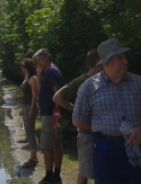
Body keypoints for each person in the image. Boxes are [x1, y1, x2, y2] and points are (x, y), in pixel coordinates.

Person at [73, 38, 141, 184]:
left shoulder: (138, 83)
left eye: (125, 57)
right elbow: (77, 120)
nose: (125, 61)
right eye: (119, 58)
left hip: (136, 147)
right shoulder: (89, 87)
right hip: (105, 148)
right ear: (106, 62)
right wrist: (100, 128)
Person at [53, 49, 101, 184]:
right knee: (84, 172)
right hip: (87, 134)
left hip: (102, 133)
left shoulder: (103, 80)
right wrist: (75, 109)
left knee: (102, 171)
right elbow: (57, 97)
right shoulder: (82, 81)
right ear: (97, 62)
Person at [34, 48, 64, 184]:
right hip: (49, 113)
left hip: (50, 114)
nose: (39, 62)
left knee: (47, 146)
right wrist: (39, 74)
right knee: (55, 145)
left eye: (40, 59)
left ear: (47, 57)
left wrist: (56, 116)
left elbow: (58, 94)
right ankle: (55, 176)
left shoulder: (52, 72)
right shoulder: (49, 72)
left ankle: (49, 176)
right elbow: (41, 91)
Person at [19, 58, 39, 168]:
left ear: (28, 68)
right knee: (29, 132)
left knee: (30, 133)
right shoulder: (26, 77)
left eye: (23, 66)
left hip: (30, 108)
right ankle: (34, 156)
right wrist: (23, 108)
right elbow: (25, 95)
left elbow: (34, 96)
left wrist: (31, 110)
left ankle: (32, 159)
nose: (22, 68)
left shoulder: (32, 78)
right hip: (25, 107)